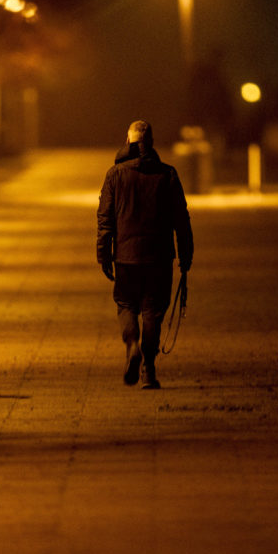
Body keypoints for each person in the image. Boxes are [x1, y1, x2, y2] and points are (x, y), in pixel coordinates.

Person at [96, 120, 193, 389]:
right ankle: (149, 370)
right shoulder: (168, 174)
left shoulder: (114, 175)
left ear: (127, 142)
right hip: (159, 258)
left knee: (126, 305)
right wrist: (186, 255)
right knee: (153, 311)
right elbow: (181, 220)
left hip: (126, 257)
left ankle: (132, 344)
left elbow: (105, 220)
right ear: (150, 143)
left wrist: (103, 254)